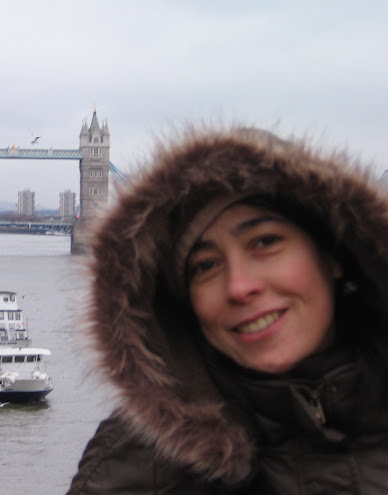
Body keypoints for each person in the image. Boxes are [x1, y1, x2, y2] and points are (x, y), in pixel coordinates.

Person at [66, 125, 388, 494]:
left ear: (333, 254)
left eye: (265, 242)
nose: (239, 286)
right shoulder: (135, 467)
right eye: (205, 265)